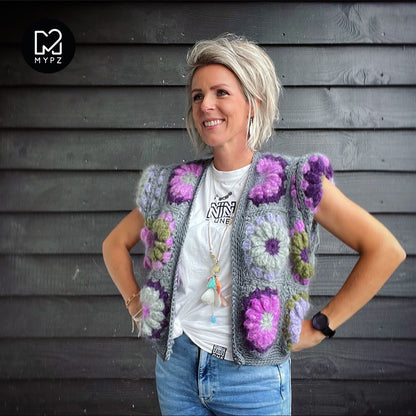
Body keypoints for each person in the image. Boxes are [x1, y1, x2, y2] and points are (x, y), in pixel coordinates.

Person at [102, 34, 406, 416]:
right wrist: (137, 307)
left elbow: (385, 250)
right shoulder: (175, 184)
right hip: (177, 369)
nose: (205, 104)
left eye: (220, 92)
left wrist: (320, 327)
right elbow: (114, 244)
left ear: (253, 103)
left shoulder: (293, 181)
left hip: (253, 382)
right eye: (197, 96)